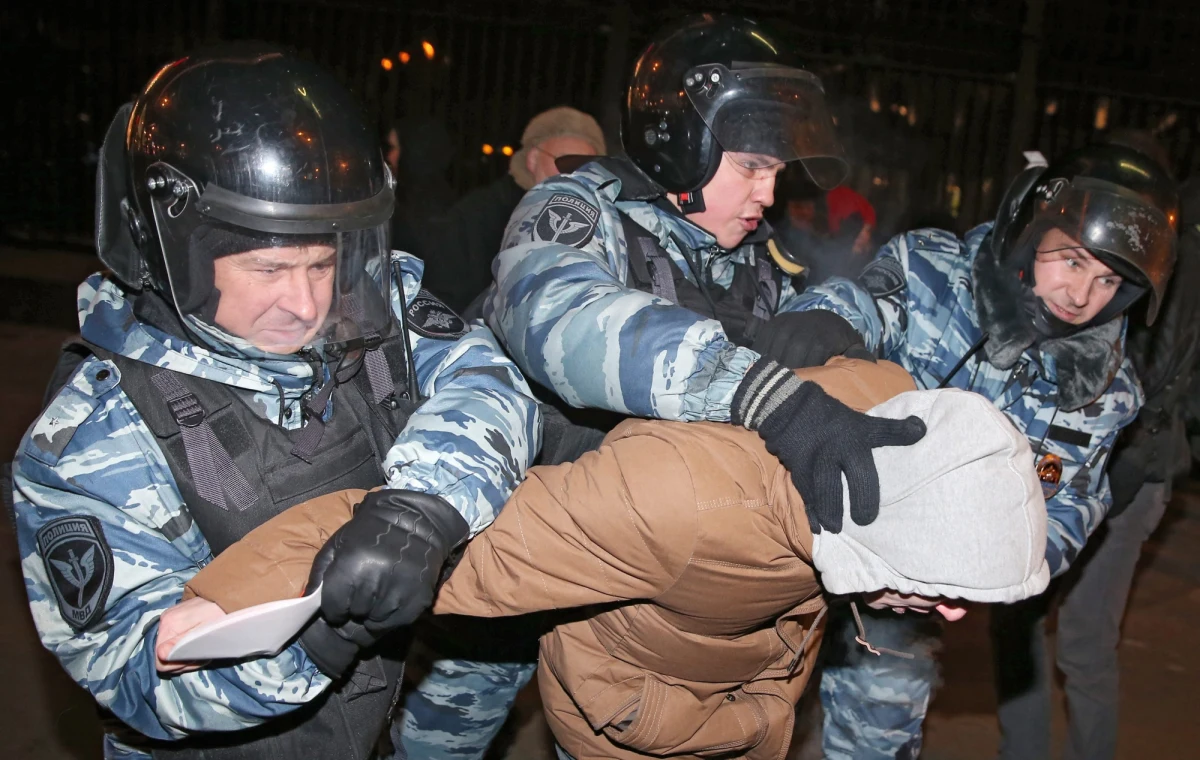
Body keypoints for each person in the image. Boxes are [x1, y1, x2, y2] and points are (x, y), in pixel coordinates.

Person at [396, 15, 929, 758]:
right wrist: (758, 388)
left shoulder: (754, 265)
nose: (768, 193)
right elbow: (561, 320)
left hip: (636, 579)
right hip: (524, 538)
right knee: (444, 734)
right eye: (750, 167)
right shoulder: (577, 211)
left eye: (776, 171)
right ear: (683, 143)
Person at [10, 47, 540, 759]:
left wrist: (425, 506)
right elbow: (139, 678)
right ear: (177, 251)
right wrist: (323, 633)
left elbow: (492, 380)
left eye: (323, 263)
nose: (307, 303)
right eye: (269, 268)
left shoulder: (374, 312)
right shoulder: (90, 439)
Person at [159, 357, 1050, 760]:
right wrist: (224, 596)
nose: (956, 618)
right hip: (641, 729)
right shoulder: (676, 502)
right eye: (939, 588)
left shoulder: (892, 428)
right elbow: (407, 541)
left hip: (749, 700)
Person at [782, 144, 1179, 759]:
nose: (1082, 295)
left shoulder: (1108, 389)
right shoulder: (933, 270)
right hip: (815, 523)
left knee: (874, 744)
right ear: (1029, 231)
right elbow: (863, 303)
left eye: (1108, 281)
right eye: (1071, 261)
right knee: (740, 716)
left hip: (911, 590)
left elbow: (1073, 500)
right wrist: (818, 321)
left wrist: (987, 572)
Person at [994, 141, 1198, 760]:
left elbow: (1141, 373)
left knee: (1062, 632)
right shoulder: (1162, 231)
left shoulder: (1167, 246)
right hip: (1125, 457)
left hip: (1130, 463)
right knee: (1040, 622)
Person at [417, 106, 605, 311]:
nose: (576, 174)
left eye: (587, 166)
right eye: (566, 161)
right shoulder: (476, 217)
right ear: (533, 159)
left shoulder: (603, 223)